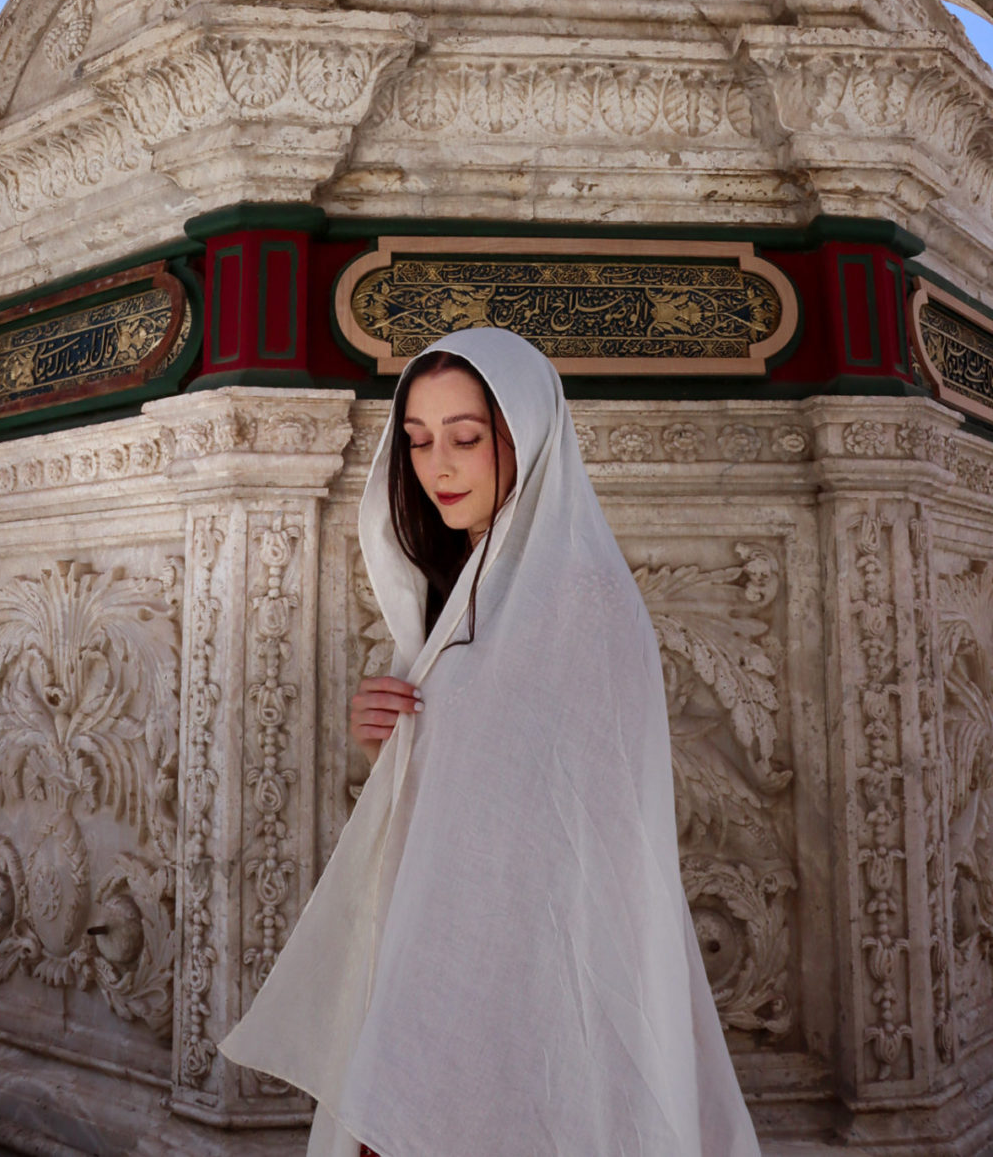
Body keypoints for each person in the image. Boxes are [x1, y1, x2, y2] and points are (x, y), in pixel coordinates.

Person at [220, 327, 762, 1157]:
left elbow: (574, 829)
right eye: (417, 441)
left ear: (529, 437)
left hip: (529, 971)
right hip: (444, 948)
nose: (438, 464)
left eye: (466, 438)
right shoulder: (467, 593)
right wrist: (391, 748)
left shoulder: (580, 600)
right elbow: (474, 780)